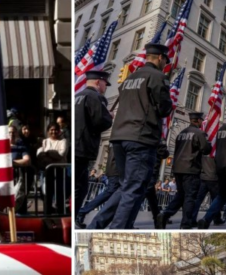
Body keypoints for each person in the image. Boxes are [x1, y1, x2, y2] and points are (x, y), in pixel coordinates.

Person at [90, 43, 172, 229]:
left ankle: (97, 225)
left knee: (126, 187)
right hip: (140, 137)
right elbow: (164, 108)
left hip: (119, 136)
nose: (165, 64)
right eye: (165, 61)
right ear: (160, 58)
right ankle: (116, 229)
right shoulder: (158, 77)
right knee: (133, 187)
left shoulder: (130, 77)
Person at [74, 70, 113, 224]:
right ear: (98, 82)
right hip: (83, 147)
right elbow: (100, 121)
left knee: (81, 187)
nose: (105, 87)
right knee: (79, 188)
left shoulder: (77, 96)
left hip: (75, 146)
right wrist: (109, 117)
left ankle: (76, 216)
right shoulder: (96, 97)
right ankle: (74, 217)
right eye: (105, 83)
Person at [157, 112, 207, 229]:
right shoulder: (199, 133)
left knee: (181, 195)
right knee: (190, 196)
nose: (202, 122)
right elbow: (206, 149)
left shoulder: (181, 133)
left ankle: (165, 215)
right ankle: (185, 223)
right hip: (191, 168)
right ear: (198, 120)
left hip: (178, 168)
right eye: (201, 120)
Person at [36, 122, 69, 214]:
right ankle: (48, 212)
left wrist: (47, 153)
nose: (53, 132)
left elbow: (61, 154)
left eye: (55, 130)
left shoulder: (63, 141)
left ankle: (60, 212)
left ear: (59, 131)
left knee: (59, 192)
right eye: (51, 130)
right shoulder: (45, 141)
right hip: (48, 170)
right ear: (48, 131)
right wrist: (52, 154)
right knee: (47, 192)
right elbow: (40, 154)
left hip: (59, 170)